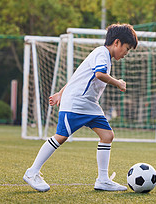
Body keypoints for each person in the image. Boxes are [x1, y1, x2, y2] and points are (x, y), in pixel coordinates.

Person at [23, 24, 138, 192]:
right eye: (126, 49)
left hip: (89, 105)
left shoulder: (103, 55)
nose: (126, 53)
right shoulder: (102, 53)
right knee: (61, 137)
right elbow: (99, 74)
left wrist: (61, 92)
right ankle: (32, 172)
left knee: (107, 135)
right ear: (117, 42)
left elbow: (79, 75)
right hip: (77, 104)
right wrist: (118, 83)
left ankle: (103, 180)